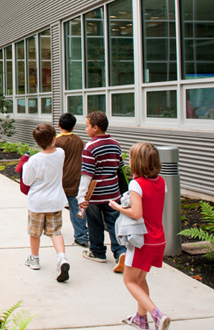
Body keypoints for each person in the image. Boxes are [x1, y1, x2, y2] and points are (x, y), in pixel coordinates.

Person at [108, 143, 170, 330]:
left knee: (129, 280)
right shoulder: (161, 181)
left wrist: (117, 206)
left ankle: (157, 314)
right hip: (158, 239)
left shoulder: (137, 184)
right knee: (141, 280)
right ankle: (140, 319)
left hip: (141, 240)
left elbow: (136, 213)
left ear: (136, 162)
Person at [77, 111, 126, 272]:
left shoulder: (90, 147)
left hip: (95, 194)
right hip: (113, 192)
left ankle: (98, 252)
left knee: (95, 223)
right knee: (114, 223)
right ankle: (120, 252)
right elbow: (120, 167)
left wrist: (81, 196)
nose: (86, 129)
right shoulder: (115, 144)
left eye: (87, 126)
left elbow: (86, 174)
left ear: (96, 128)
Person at [21, 123, 70, 282]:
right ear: (54, 140)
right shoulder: (61, 153)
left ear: (36, 142)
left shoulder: (34, 160)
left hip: (38, 202)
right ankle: (62, 258)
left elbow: (27, 181)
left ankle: (34, 259)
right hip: (55, 200)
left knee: (35, 232)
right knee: (55, 231)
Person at [56, 113, 88, 247]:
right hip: (76, 180)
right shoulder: (79, 140)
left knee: (54, 207)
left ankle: (52, 229)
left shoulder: (56, 141)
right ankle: (81, 236)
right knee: (77, 208)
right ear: (73, 127)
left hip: (59, 181)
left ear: (58, 124)